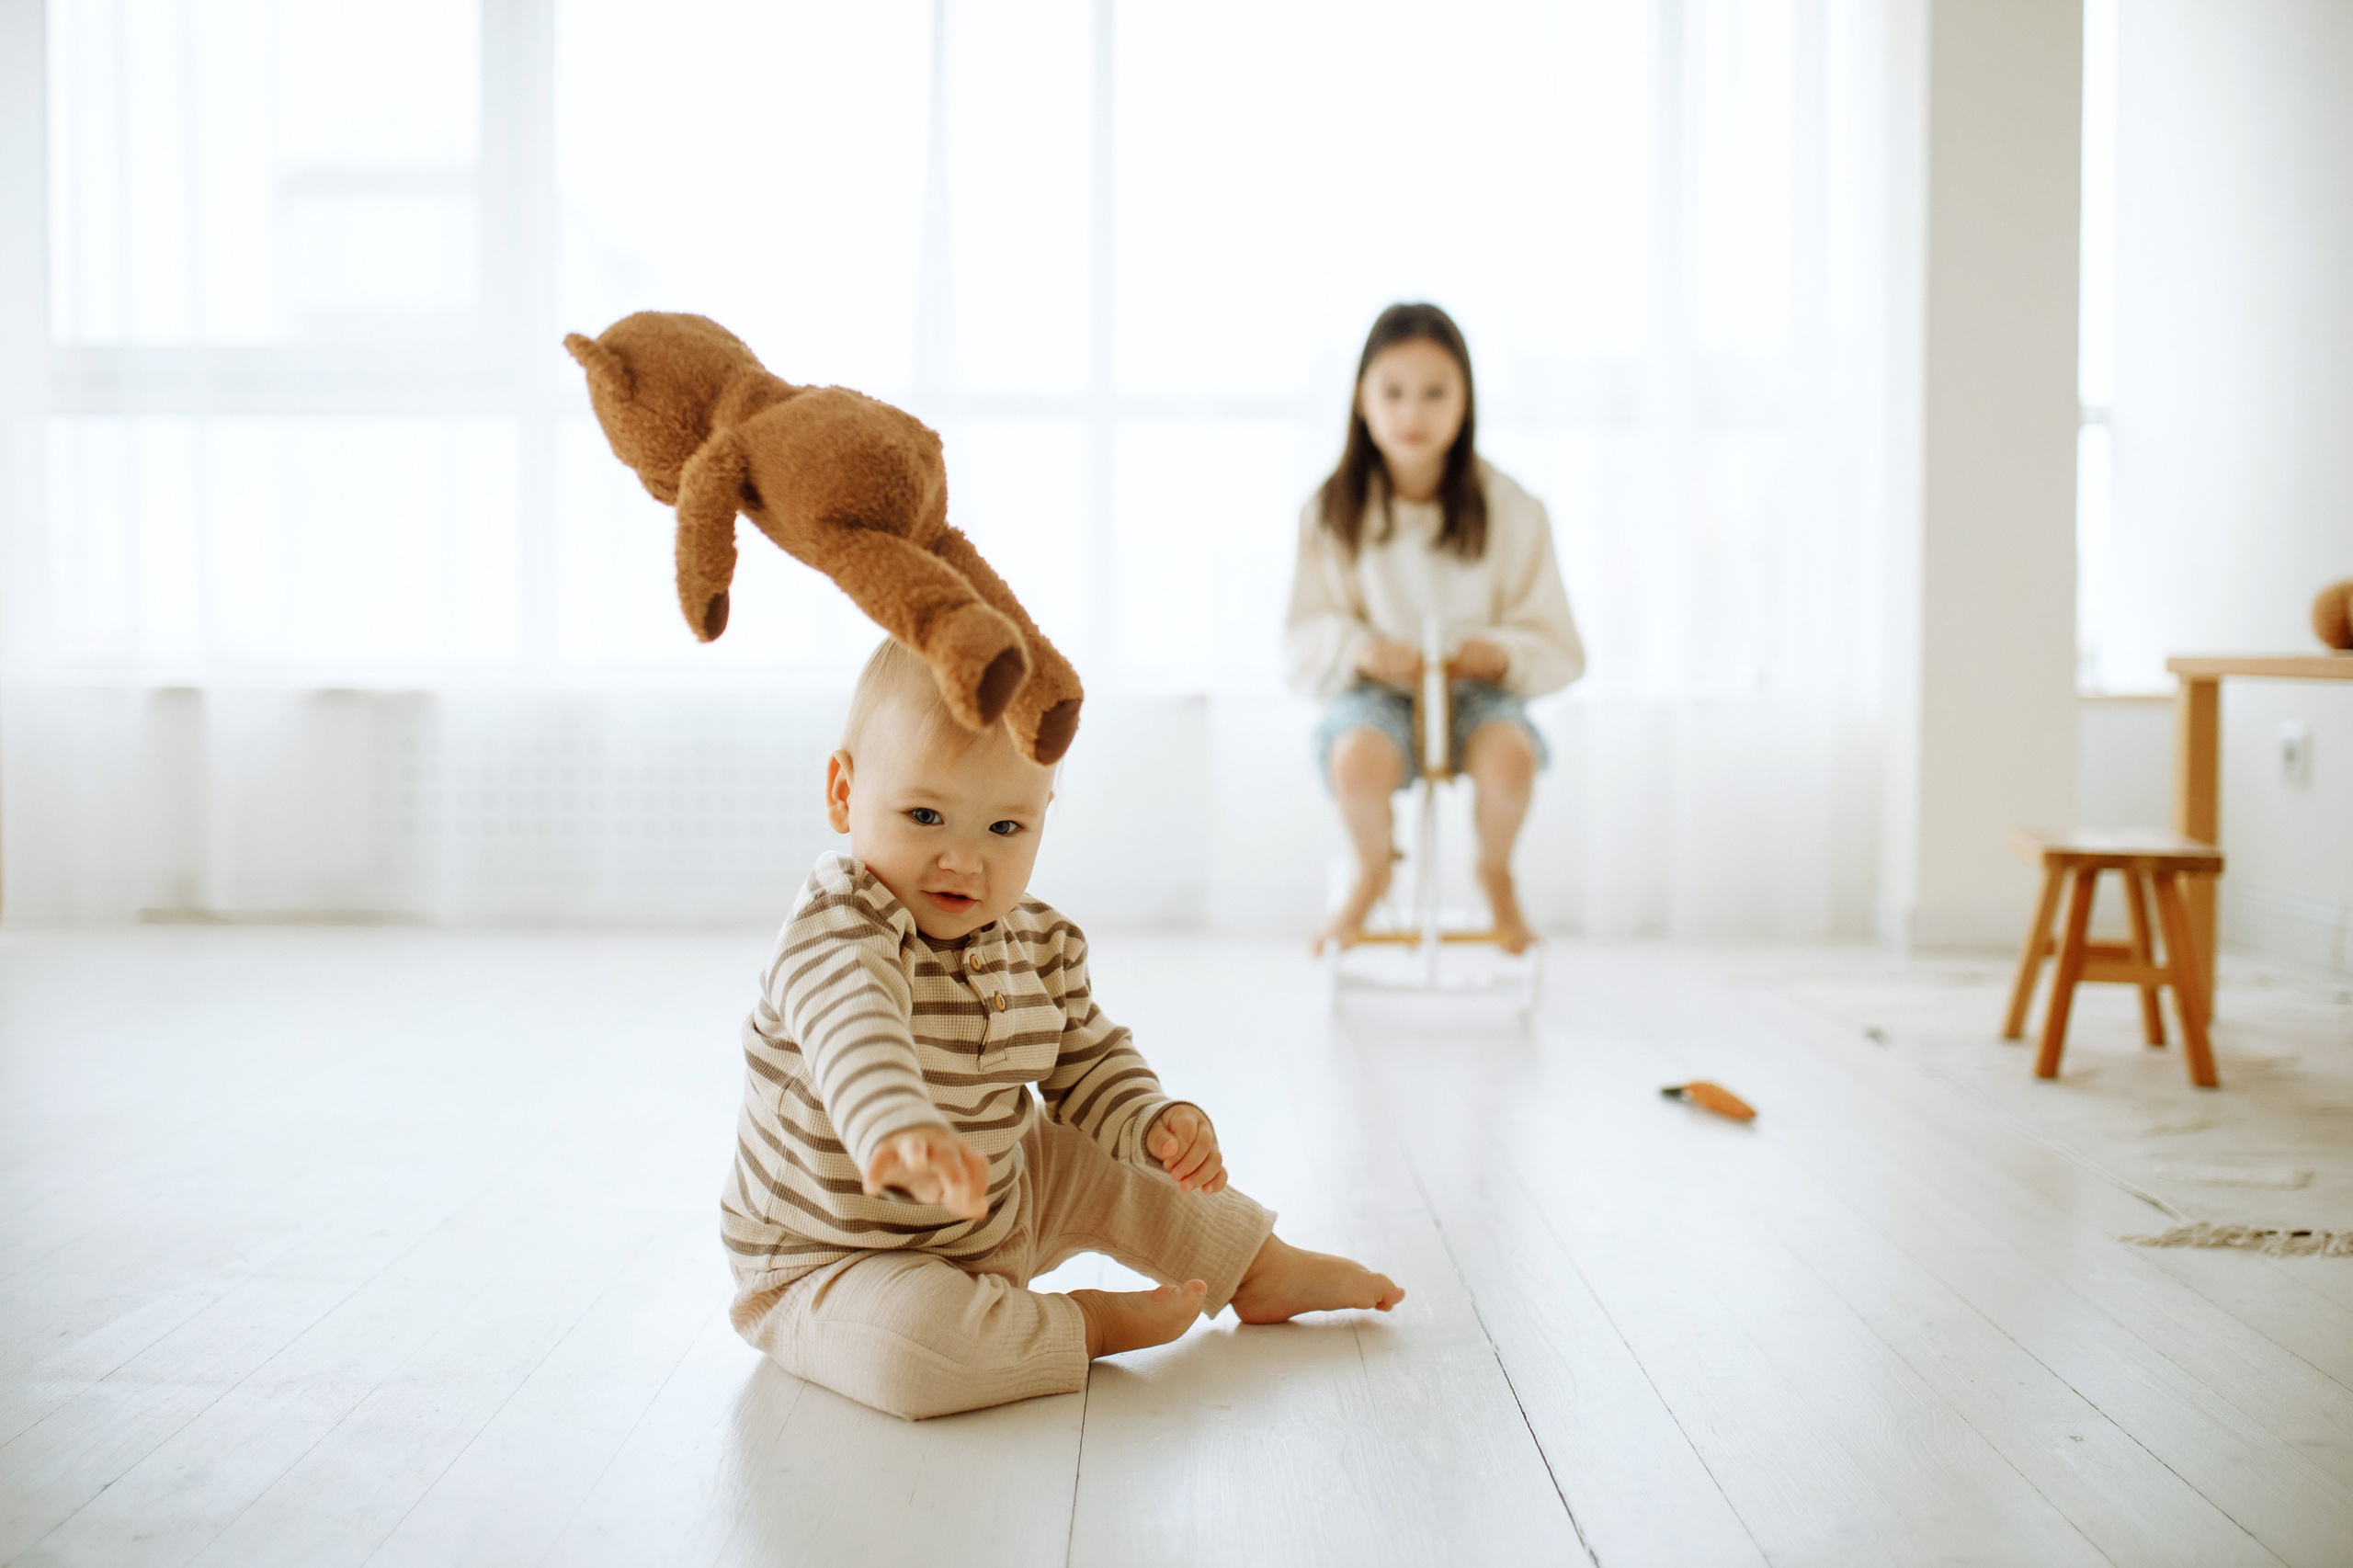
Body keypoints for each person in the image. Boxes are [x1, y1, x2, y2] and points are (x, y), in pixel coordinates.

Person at [723, 637, 1404, 1420]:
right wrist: (897, 1127)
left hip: (998, 1204)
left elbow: (1087, 1056)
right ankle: (1084, 1326)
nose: (964, 862)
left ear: (1044, 815)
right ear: (845, 793)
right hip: (836, 1256)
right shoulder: (838, 927)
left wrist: (1153, 1121)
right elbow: (853, 1029)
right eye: (924, 816)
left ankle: (1257, 1266)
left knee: (1108, 1157)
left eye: (1004, 829)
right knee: (910, 1356)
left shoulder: (1039, 941)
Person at [1286, 303, 1585, 955]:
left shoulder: (1512, 508)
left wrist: (1500, 655)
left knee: (1511, 760)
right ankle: (1372, 870)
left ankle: (1495, 871)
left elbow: (1557, 640)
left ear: (1466, 401)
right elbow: (1305, 635)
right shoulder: (1330, 511)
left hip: (1475, 694)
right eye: (1393, 392)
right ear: (1362, 400)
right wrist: (1363, 651)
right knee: (1356, 762)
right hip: (1377, 696)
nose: (1412, 413)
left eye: (1434, 393)